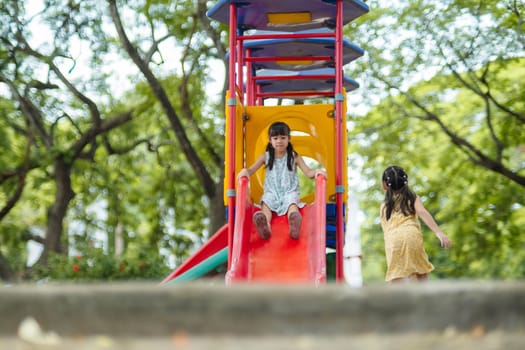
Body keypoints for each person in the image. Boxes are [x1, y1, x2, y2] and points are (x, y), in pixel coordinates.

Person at [238, 121, 325, 240]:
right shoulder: (266, 156)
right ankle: (265, 226)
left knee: (292, 204)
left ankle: (294, 223)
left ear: (288, 139)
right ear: (270, 140)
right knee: (266, 203)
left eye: (283, 138)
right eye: (275, 138)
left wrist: (317, 172)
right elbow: (251, 170)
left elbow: (308, 173)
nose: (279, 141)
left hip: (289, 191)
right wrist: (245, 172)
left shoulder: (294, 156)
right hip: (272, 192)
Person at [380, 165, 451, 283]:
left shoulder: (384, 206)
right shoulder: (412, 197)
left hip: (393, 240)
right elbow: (422, 212)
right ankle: (423, 298)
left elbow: (386, 231)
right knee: (421, 271)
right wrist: (439, 233)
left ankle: (398, 300)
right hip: (411, 235)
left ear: (385, 184)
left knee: (396, 275)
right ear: (405, 181)